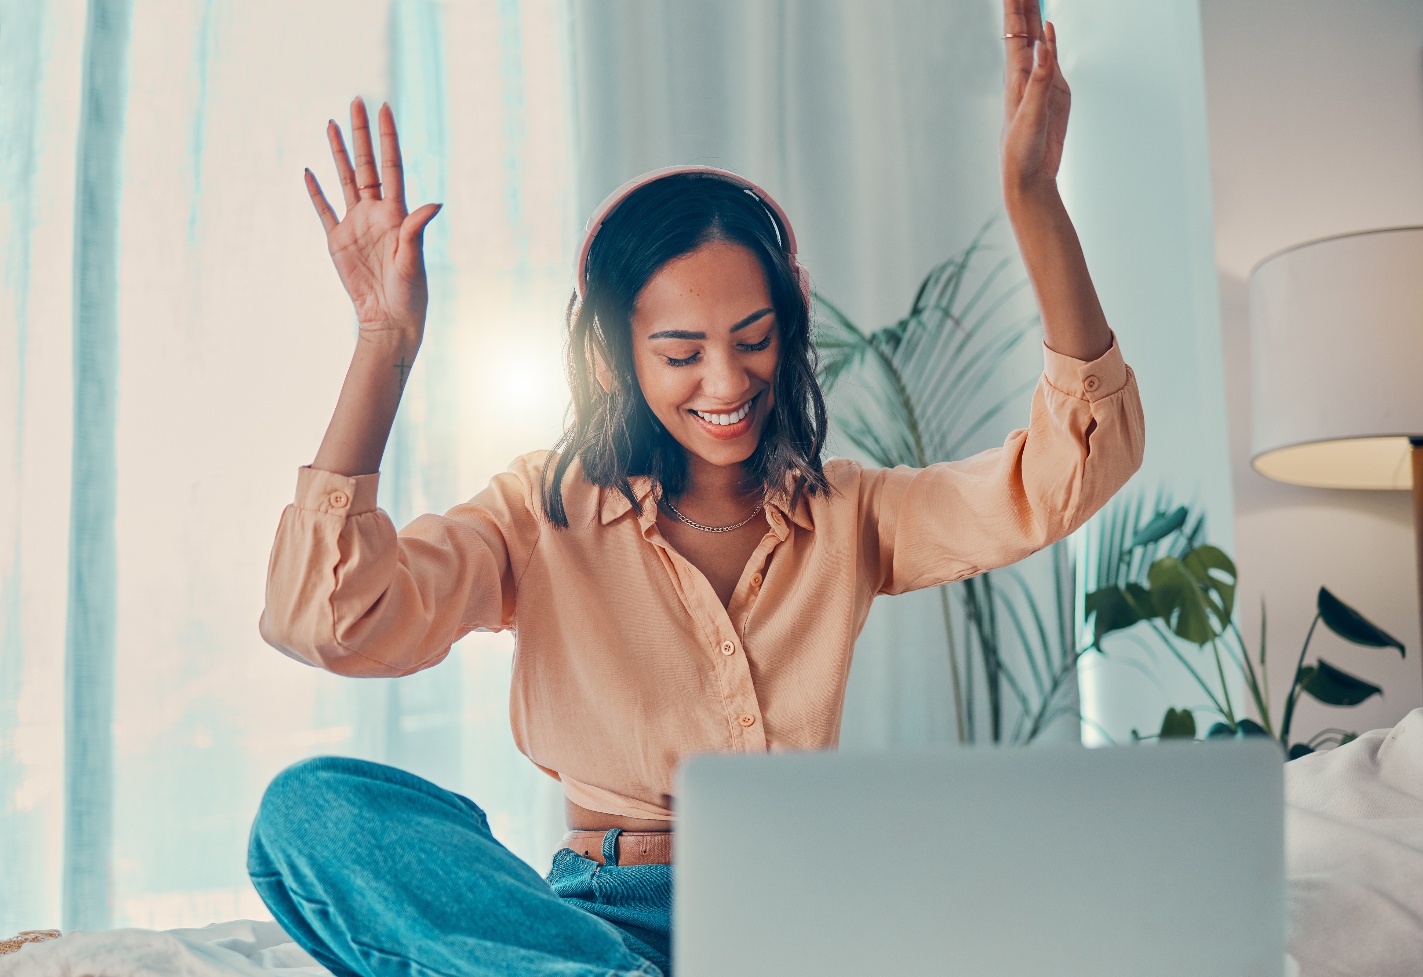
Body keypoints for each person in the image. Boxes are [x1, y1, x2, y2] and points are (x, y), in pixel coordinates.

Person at [247, 3, 1144, 975]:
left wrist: (1035, 200)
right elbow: (327, 616)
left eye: (754, 339)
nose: (727, 383)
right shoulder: (537, 515)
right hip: (600, 916)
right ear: (610, 356)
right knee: (310, 811)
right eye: (680, 352)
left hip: (793, 919)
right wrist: (385, 345)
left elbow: (1071, 469)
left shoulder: (855, 515)